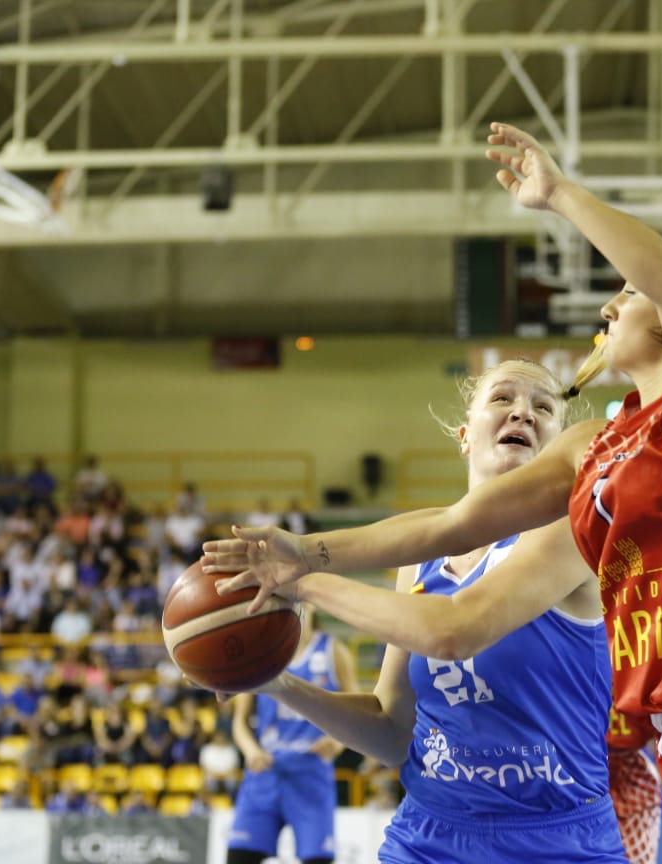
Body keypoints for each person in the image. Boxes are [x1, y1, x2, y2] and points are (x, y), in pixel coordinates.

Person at [206, 121, 662, 863]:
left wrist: (561, 195)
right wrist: (301, 552)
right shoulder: (599, 446)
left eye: (625, 293)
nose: (609, 308)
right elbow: (453, 523)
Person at [217, 360, 637, 863]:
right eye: (503, 398)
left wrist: (306, 582)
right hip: (431, 834)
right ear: (465, 436)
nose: (522, 413)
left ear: (561, 446)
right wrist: (274, 683)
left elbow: (453, 632)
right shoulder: (422, 555)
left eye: (543, 407)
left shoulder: (574, 529)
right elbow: (394, 732)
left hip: (557, 840)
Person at [227, 605, 357, 864]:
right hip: (265, 771)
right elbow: (239, 722)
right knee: (239, 856)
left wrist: (338, 741)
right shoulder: (259, 655)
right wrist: (251, 750)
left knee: (317, 859)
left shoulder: (334, 652)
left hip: (311, 771)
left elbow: (356, 713)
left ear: (311, 603)